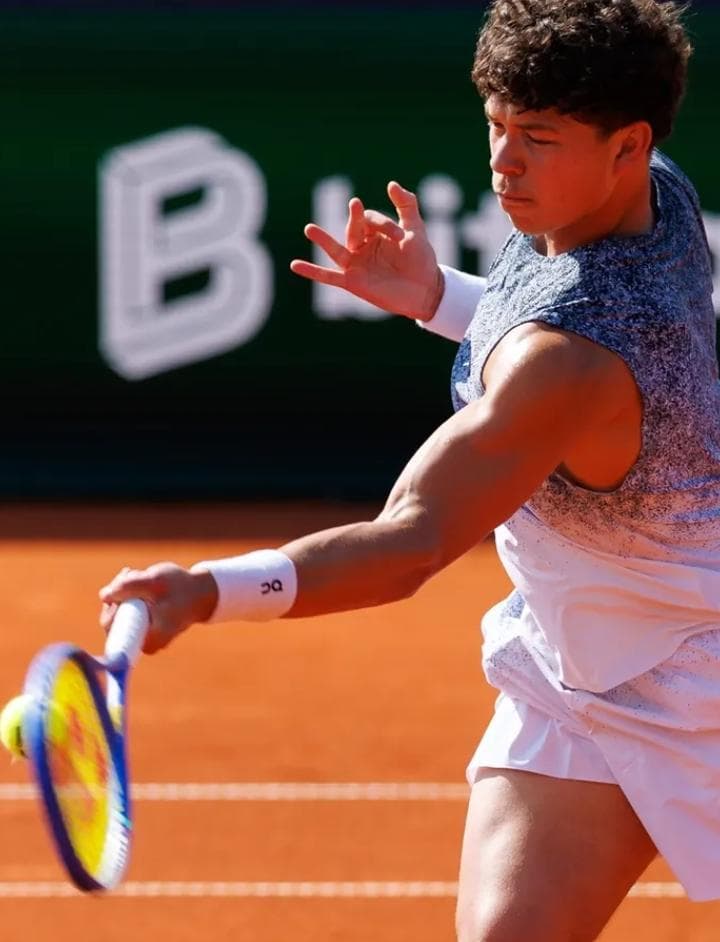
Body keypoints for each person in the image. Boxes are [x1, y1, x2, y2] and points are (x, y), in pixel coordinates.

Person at [100, 1, 718, 938]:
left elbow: (411, 540)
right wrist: (439, 296)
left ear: (628, 144)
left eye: (539, 138)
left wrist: (206, 590)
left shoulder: (569, 360)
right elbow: (545, 328)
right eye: (496, 126)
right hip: (573, 665)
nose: (504, 164)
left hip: (702, 682)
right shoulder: (647, 199)